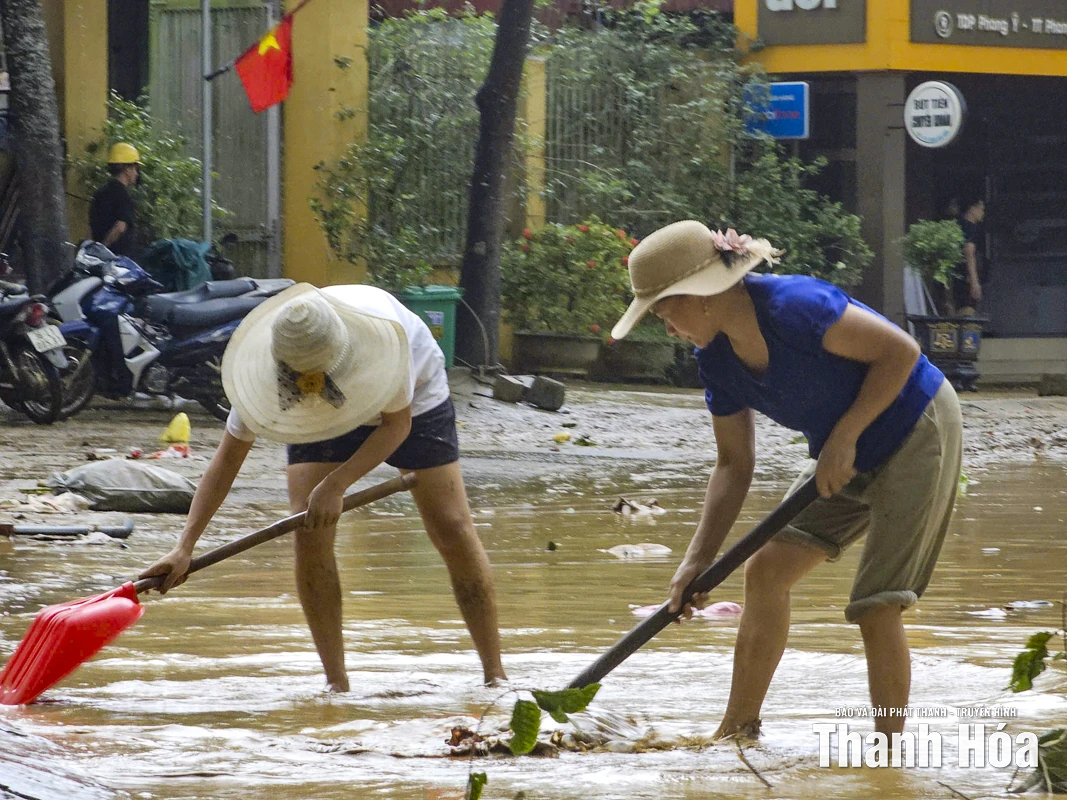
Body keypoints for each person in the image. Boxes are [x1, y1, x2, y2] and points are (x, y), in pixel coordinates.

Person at [611, 220, 962, 739]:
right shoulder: (715, 361)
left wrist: (844, 438)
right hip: (844, 449)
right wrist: (697, 561)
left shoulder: (796, 306)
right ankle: (736, 730)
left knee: (877, 603)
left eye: (666, 313)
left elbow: (901, 353)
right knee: (766, 570)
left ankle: (889, 759)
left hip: (917, 425)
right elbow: (734, 464)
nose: (668, 329)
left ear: (700, 296)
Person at [140, 283, 508, 689]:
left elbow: (397, 426)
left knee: (452, 528)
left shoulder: (386, 345)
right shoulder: (268, 371)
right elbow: (226, 460)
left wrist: (337, 484)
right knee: (308, 528)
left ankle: (495, 677)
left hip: (410, 405)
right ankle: (337, 686)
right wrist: (184, 546)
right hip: (321, 412)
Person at [88, 143, 141, 258]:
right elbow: (120, 227)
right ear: (127, 169)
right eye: (135, 169)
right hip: (117, 262)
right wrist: (104, 248)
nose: (136, 174)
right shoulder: (122, 195)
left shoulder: (100, 193)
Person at [951, 197, 985, 315]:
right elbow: (969, 252)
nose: (983, 213)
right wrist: (974, 280)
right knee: (967, 310)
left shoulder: (958, 225)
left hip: (958, 276)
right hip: (965, 277)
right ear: (972, 209)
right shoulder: (969, 227)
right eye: (981, 209)